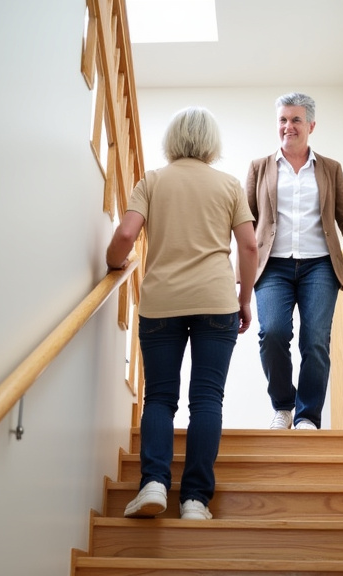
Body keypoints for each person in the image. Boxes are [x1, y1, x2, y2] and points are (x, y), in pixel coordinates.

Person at [106, 106, 258, 521]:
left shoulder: (152, 181)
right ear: (212, 142)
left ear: (172, 139)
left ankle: (154, 483)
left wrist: (113, 263)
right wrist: (245, 298)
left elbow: (126, 233)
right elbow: (249, 246)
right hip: (216, 301)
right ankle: (194, 501)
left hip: (162, 302)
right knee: (207, 399)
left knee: (159, 396)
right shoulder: (228, 185)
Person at [246, 92, 343, 431]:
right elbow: (246, 223)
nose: (288, 126)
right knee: (272, 333)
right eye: (283, 120)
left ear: (311, 125)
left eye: (296, 120)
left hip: (319, 266)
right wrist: (240, 270)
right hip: (273, 267)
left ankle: (307, 416)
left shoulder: (330, 169)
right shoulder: (259, 167)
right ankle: (283, 406)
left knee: (315, 341)